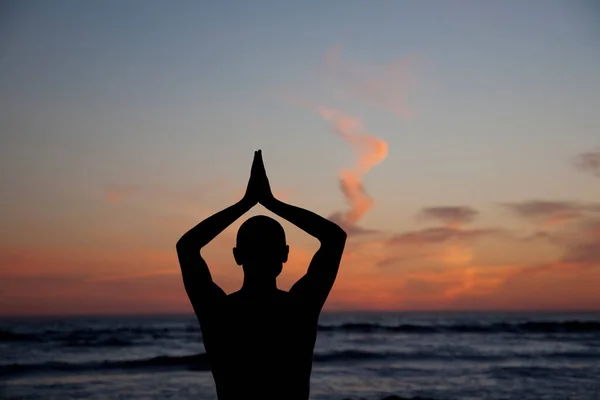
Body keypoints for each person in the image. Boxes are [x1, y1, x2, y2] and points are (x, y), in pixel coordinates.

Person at [176, 150, 347, 400]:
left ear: (237, 256)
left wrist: (245, 203)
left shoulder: (218, 311)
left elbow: (187, 246)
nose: (263, 255)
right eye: (261, 249)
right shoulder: (300, 307)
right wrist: (270, 202)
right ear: (285, 254)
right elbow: (334, 238)